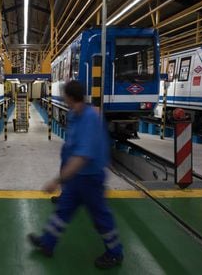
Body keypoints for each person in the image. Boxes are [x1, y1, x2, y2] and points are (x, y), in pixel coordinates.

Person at [28, 80, 123, 269]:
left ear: (70, 97)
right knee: (63, 211)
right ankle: (47, 243)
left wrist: (56, 180)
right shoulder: (74, 115)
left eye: (64, 95)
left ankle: (115, 253)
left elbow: (82, 156)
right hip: (75, 178)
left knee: (100, 217)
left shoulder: (89, 118)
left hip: (90, 178)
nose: (63, 98)